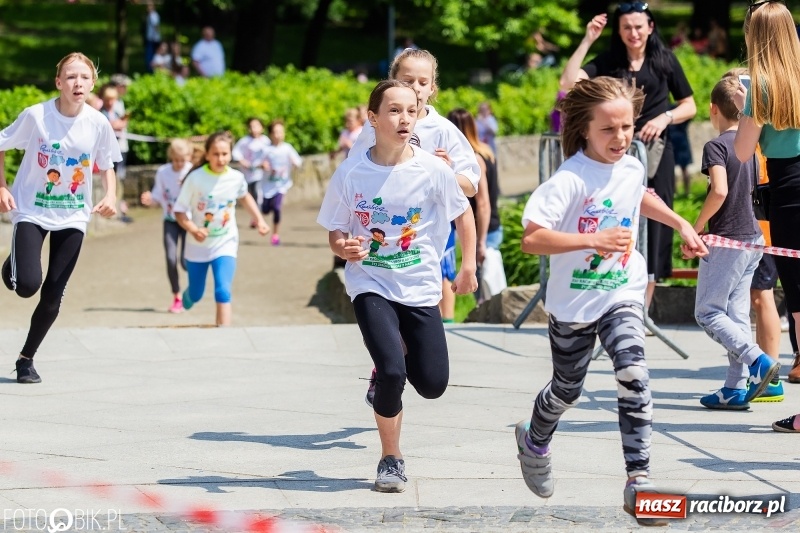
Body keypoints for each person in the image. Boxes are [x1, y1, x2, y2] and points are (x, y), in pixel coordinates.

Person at [514, 77, 707, 525]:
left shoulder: (632, 165)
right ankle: (534, 440)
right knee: (567, 389)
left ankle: (639, 480)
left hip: (621, 290)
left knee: (634, 373)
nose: (621, 138)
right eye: (609, 129)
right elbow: (531, 239)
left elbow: (638, 195)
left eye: (627, 126)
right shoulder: (569, 179)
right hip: (573, 303)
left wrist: (682, 224)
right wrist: (592, 238)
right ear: (584, 128)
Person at [317, 79, 478, 493]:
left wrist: (468, 267)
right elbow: (336, 230)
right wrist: (345, 247)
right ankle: (391, 458)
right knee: (392, 372)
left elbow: (464, 214)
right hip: (370, 282)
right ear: (372, 118)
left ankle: (397, 359)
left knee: (432, 384)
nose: (404, 118)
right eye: (393, 110)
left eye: (411, 110)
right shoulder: (352, 171)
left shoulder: (433, 169)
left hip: (420, 286)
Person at [559, 2, 697, 312]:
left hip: (657, 153)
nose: (633, 33)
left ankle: (641, 306)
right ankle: (615, 299)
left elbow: (689, 104)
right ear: (618, 31)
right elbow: (568, 83)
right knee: (618, 216)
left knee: (657, 223)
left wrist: (665, 118)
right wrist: (587, 40)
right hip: (617, 154)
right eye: (626, 27)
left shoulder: (665, 60)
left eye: (639, 26)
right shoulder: (610, 62)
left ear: (650, 27)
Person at [0, 52, 121, 384]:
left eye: (83, 77)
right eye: (70, 77)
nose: (77, 82)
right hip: (31, 209)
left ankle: (26, 360)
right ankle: (16, 263)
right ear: (58, 82)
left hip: (73, 215)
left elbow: (107, 165)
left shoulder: (98, 122)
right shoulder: (36, 116)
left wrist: (110, 195)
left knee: (53, 293)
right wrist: (1, 186)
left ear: (93, 83)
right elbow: (1, 143)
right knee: (27, 285)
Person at [348, 48, 480, 325]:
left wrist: (445, 173)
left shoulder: (442, 130)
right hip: (381, 241)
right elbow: (355, 173)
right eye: (408, 81)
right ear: (392, 81)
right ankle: (386, 367)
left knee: (411, 330)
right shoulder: (374, 128)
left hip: (422, 246)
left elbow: (470, 187)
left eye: (423, 82)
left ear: (433, 87)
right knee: (386, 326)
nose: (416, 89)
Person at [693, 75, 781, 410]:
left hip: (727, 238)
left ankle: (757, 360)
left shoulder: (716, 146)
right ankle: (734, 387)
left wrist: (697, 226)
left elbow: (719, 191)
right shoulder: (752, 148)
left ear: (713, 109)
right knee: (735, 313)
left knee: (708, 311)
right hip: (753, 239)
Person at [732, 1, 800, 433]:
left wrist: (745, 107)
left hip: (789, 190)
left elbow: (741, 151)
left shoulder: (761, 85)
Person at [173, 131, 269, 326]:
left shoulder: (236, 178)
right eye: (216, 154)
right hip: (197, 246)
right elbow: (179, 211)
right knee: (196, 294)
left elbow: (244, 196)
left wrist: (259, 219)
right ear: (207, 155)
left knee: (223, 290)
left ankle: (224, 336)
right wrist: (193, 229)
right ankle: (188, 297)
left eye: (225, 154)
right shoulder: (195, 178)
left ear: (231, 154)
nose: (221, 158)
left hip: (225, 241)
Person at [446, 108, 502, 302]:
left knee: (483, 288)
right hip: (492, 224)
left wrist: (480, 241)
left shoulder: (475, 158)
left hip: (483, 228)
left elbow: (483, 202)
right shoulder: (487, 151)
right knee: (487, 286)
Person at [140, 138, 194, 314]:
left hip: (188, 222)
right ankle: (177, 296)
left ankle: (193, 289)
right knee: (171, 259)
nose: (179, 164)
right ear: (171, 157)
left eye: (182, 160)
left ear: (188, 157)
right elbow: (157, 196)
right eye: (175, 160)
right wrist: (150, 200)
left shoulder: (192, 171)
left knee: (185, 263)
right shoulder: (163, 172)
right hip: (170, 221)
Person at [262, 119, 301, 246]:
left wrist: (295, 163)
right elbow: (258, 163)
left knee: (278, 208)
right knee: (266, 210)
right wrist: (263, 165)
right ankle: (265, 210)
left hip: (282, 185)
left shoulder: (287, 148)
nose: (278, 135)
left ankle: (275, 235)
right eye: (275, 132)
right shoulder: (266, 150)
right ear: (270, 134)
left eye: (280, 132)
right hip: (267, 186)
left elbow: (298, 161)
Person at [232, 117, 272, 228]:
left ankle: (256, 218)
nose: (254, 129)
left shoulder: (265, 141)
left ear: (262, 128)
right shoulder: (244, 141)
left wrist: (265, 164)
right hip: (247, 174)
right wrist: (242, 161)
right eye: (251, 126)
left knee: (257, 194)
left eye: (256, 126)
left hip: (260, 174)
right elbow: (236, 152)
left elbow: (271, 154)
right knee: (249, 196)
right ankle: (255, 217)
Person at [143, 1, 161, 73]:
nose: (148, 8)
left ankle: (151, 70)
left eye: (149, 6)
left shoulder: (153, 15)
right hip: (151, 38)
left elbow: (156, 26)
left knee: (150, 56)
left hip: (153, 39)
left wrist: (156, 36)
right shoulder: (150, 15)